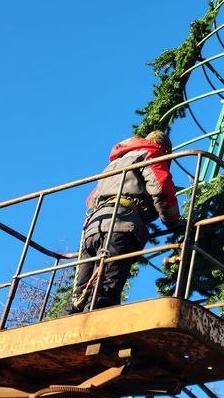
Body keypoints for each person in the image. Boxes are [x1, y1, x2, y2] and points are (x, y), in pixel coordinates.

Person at [62, 130, 182, 314]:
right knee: (107, 287)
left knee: (80, 293)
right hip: (122, 226)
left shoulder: (115, 164)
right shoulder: (151, 154)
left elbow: (91, 199)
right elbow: (161, 189)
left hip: (93, 228)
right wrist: (173, 221)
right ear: (166, 150)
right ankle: (95, 330)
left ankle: (63, 330)